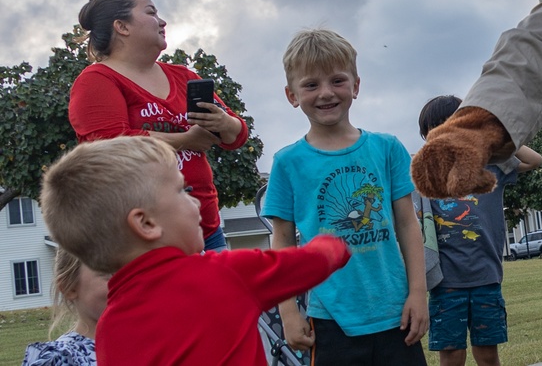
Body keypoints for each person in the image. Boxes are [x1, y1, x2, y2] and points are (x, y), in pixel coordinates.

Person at [39, 136, 351, 365]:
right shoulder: (223, 273)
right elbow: (312, 262)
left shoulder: (108, 329)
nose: (195, 200)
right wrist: (334, 242)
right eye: (182, 190)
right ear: (146, 223)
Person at [262, 28, 429, 366]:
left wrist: (418, 293)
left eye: (337, 81)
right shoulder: (287, 163)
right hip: (330, 319)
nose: (326, 93)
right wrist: (289, 311)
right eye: (311, 85)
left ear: (355, 85)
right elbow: (281, 241)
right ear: (291, 95)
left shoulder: (387, 149)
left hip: (396, 313)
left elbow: (408, 225)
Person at [68, 0, 249, 251]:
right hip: (143, 241)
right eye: (151, 13)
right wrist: (185, 140)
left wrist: (223, 123)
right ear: (122, 26)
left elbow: (238, 134)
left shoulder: (184, 75)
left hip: (206, 231)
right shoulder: (97, 80)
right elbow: (106, 145)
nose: (162, 22)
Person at [417, 95, 542, 366]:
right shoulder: (425, 175)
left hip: (486, 276)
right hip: (445, 282)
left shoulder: (491, 166)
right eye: (436, 130)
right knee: (451, 357)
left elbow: (535, 160)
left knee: (487, 356)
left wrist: (495, 128)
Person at [21, 249, 108, 366]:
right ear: (70, 288)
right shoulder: (61, 360)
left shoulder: (137, 346)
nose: (126, 281)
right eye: (108, 273)